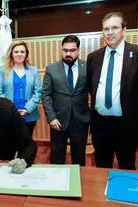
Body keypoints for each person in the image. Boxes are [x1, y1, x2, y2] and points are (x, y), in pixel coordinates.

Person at [87, 12, 138, 170]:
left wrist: (132, 107)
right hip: (100, 124)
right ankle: (102, 195)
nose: (110, 32)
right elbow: (92, 87)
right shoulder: (93, 57)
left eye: (115, 27)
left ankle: (125, 195)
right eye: (106, 29)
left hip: (126, 125)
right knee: (102, 166)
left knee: (126, 164)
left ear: (124, 30)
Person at [42, 35, 90, 165]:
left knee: (79, 156)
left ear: (78, 50)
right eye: (65, 50)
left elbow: (95, 91)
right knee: (57, 155)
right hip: (58, 121)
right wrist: (51, 118)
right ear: (61, 50)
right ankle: (57, 183)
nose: (68, 53)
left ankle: (80, 181)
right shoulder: (51, 69)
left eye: (72, 50)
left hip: (80, 120)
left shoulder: (87, 67)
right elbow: (45, 94)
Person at [0, 41, 42, 136]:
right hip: (9, 115)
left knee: (27, 142)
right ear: (11, 54)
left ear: (26, 54)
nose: (19, 54)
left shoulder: (33, 71)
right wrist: (11, 109)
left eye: (22, 51)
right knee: (11, 143)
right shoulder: (2, 70)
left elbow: (38, 92)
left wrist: (27, 109)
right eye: (16, 52)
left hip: (29, 115)